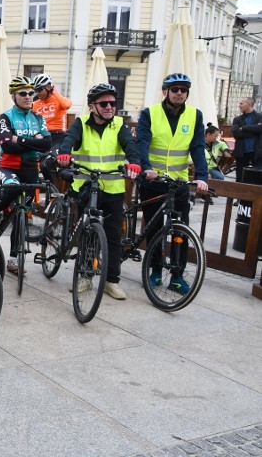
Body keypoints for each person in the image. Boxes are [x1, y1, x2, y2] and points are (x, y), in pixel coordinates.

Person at [55, 83, 141, 300]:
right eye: (104, 103)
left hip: (112, 189)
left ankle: (111, 281)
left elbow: (130, 145)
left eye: (113, 103)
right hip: (86, 185)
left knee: (113, 237)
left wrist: (135, 162)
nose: (110, 107)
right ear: (92, 106)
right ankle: (85, 276)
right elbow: (69, 140)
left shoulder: (120, 125)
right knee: (87, 233)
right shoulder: (81, 124)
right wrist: (64, 153)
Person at [136, 73, 208, 293]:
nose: (179, 93)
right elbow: (142, 143)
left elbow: (197, 148)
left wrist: (202, 177)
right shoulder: (150, 114)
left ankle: (177, 275)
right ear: (165, 91)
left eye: (183, 90)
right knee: (155, 228)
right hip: (153, 181)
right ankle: (155, 271)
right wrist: (146, 167)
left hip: (179, 183)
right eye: (175, 89)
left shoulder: (195, 115)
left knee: (181, 230)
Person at [0, 76, 51, 276]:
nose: (29, 97)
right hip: (9, 167)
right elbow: (6, 145)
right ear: (14, 96)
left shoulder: (38, 118)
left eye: (31, 93)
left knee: (21, 214)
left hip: (30, 170)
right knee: (5, 199)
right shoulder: (6, 116)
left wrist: (19, 138)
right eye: (23, 93)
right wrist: (32, 140)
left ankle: (13, 259)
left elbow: (47, 144)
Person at [31, 73, 72, 146]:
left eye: (39, 89)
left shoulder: (59, 100)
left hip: (58, 135)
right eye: (35, 90)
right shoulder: (35, 104)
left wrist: (55, 93)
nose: (37, 93)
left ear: (48, 87)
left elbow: (67, 105)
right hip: (42, 136)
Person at [231, 98, 262, 182]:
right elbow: (236, 134)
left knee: (258, 178)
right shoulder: (237, 119)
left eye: (242, 103)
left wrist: (244, 128)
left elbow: (260, 129)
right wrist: (254, 130)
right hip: (241, 152)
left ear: (249, 104)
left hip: (256, 152)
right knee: (240, 177)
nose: (239, 105)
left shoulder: (259, 117)